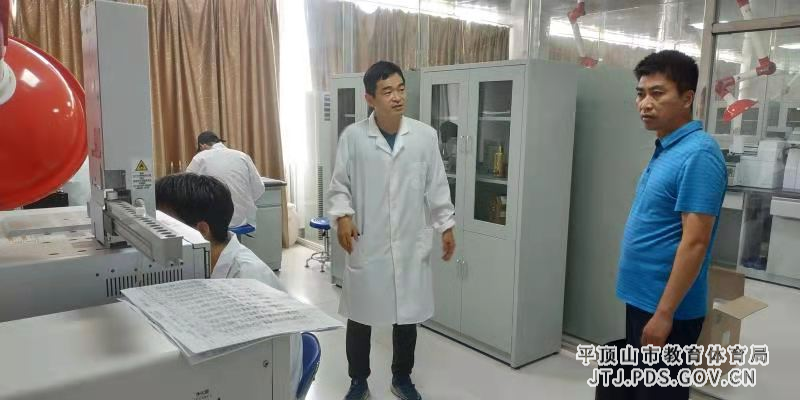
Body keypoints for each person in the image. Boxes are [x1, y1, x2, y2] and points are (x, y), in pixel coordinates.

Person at [328, 61, 456, 400]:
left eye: (400, 89)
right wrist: (343, 216)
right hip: (368, 242)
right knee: (360, 315)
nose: (397, 97)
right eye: (387, 91)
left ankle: (402, 378)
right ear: (369, 98)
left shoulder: (424, 136)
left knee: (407, 315)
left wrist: (446, 225)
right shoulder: (354, 138)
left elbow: (437, 186)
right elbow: (339, 185)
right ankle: (358, 381)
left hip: (410, 242)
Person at [616, 50, 727, 399]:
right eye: (640, 94)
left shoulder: (699, 154)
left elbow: (696, 242)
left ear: (687, 98)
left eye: (657, 93)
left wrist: (664, 314)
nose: (645, 104)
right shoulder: (668, 148)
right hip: (643, 300)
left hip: (668, 311)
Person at [155, 173, 302, 397]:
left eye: (164, 227)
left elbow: (264, 375)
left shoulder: (248, 280)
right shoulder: (206, 264)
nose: (159, 235)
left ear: (201, 231)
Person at [186, 131, 265, 230]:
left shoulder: (200, 157)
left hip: (213, 222)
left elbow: (186, 189)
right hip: (244, 220)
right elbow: (259, 188)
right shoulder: (242, 156)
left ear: (202, 145)